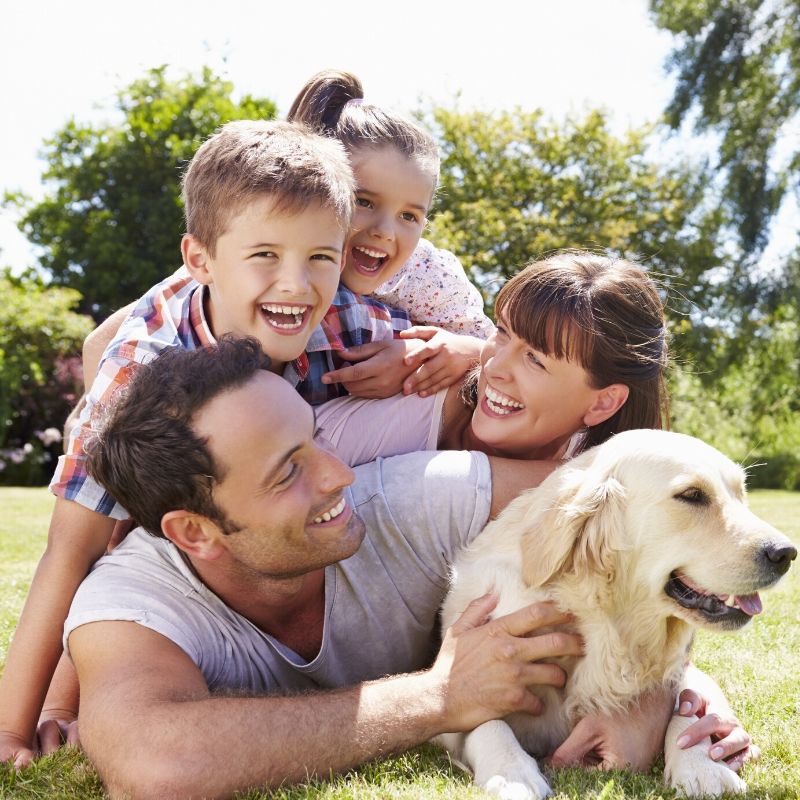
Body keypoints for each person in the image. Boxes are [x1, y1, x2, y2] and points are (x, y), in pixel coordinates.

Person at [64, 335, 665, 798]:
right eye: (289, 472)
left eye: (315, 440)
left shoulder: (418, 498)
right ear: (195, 532)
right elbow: (155, 766)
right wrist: (437, 697)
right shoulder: (133, 601)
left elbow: (648, 513)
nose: (339, 474)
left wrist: (650, 702)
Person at [0, 118, 390, 767]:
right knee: (126, 524)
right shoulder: (141, 370)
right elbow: (74, 547)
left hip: (274, 486)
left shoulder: (346, 314)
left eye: (320, 257)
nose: (298, 283)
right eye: (266, 254)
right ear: (200, 260)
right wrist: (26, 724)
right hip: (173, 465)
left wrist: (454, 353)